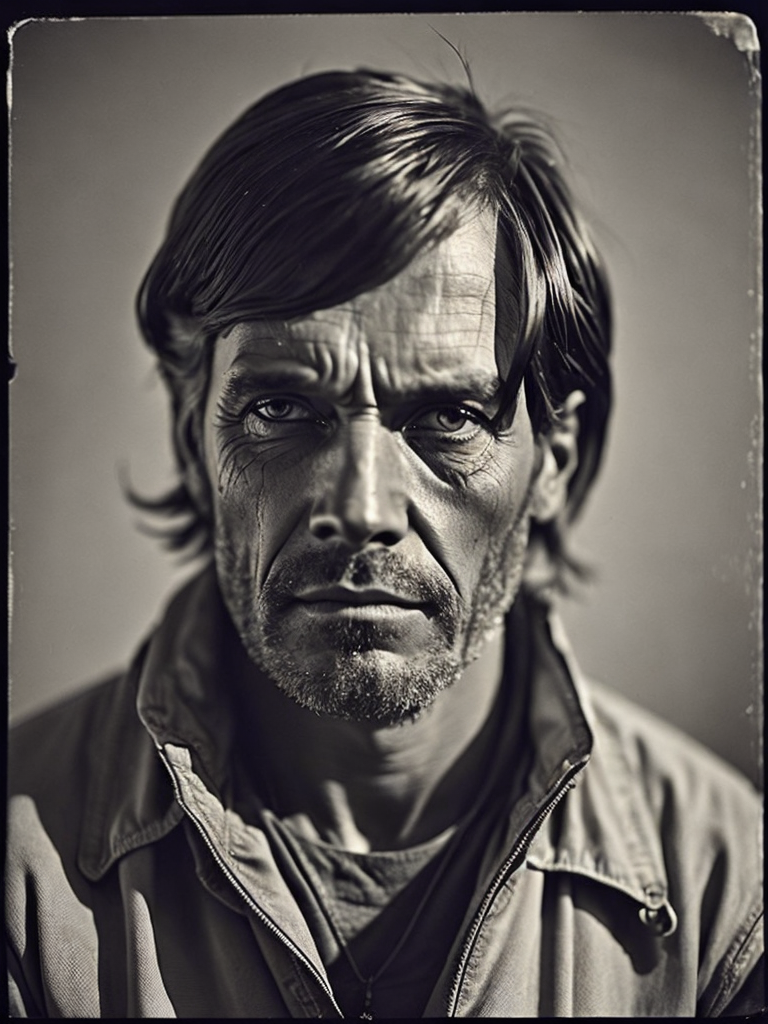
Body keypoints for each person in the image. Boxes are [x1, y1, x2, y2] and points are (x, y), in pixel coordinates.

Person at [6, 68, 764, 1019]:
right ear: (189, 438)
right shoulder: (21, 884)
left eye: (447, 416)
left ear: (554, 459)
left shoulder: (726, 899)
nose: (361, 507)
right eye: (282, 408)